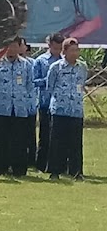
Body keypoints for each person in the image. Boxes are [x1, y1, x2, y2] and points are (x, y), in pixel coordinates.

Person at [0, 36, 34, 177]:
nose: (11, 49)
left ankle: (18, 169)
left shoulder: (26, 65)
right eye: (8, 46)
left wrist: (30, 105)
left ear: (19, 47)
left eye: (14, 46)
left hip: (19, 108)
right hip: (0, 107)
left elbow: (30, 86)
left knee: (19, 141)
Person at [46, 38, 87, 181]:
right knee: (57, 142)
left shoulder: (82, 67)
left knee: (75, 142)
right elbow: (49, 87)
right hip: (59, 110)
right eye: (72, 50)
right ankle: (55, 171)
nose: (75, 53)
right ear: (64, 52)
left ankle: (76, 172)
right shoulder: (56, 67)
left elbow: (82, 84)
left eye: (77, 50)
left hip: (76, 110)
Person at [33, 33, 64, 172]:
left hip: (61, 104)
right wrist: (49, 79)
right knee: (45, 135)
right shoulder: (40, 61)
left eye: (60, 48)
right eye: (55, 48)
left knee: (59, 137)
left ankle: (59, 165)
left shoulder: (65, 61)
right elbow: (34, 81)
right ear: (49, 45)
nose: (57, 51)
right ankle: (41, 165)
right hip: (45, 102)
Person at [19, 39, 38, 167]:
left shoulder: (32, 63)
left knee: (29, 135)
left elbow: (32, 84)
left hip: (29, 103)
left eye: (21, 45)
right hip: (12, 105)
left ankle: (31, 160)